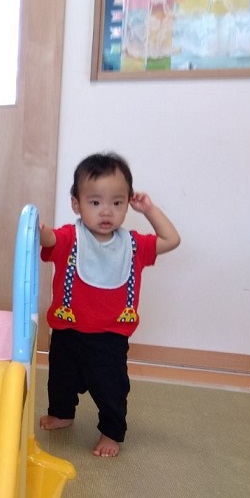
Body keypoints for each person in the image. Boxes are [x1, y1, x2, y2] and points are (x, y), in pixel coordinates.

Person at [38, 152, 180, 458]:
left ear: (128, 203)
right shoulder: (71, 238)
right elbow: (49, 240)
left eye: (117, 202)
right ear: (76, 204)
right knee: (60, 379)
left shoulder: (133, 245)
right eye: (95, 202)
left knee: (111, 387)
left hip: (110, 337)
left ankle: (112, 431)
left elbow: (171, 240)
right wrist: (39, 230)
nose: (107, 211)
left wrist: (150, 210)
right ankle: (62, 413)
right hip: (67, 329)